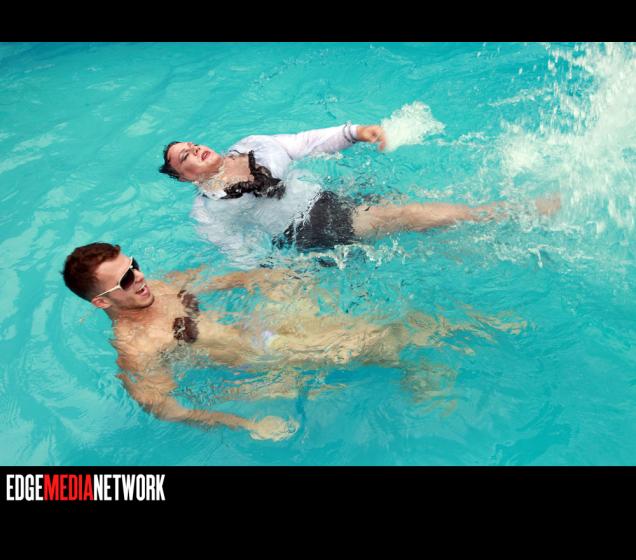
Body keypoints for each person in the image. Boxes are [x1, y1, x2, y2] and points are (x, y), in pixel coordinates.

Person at [62, 242, 476, 441]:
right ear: (101, 301)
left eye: (135, 265)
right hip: (257, 360)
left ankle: (438, 347)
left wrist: (262, 276)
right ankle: (441, 354)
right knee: (362, 341)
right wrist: (246, 425)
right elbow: (168, 409)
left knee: (362, 325)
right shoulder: (137, 347)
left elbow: (215, 278)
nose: (139, 277)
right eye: (126, 279)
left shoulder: (158, 287)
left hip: (260, 327)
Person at [159, 123, 560, 266]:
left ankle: (490, 241)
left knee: (418, 225)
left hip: (331, 197)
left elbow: (307, 142)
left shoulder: (253, 144)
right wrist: (279, 274)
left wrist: (355, 133)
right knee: (407, 216)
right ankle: (512, 213)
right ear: (183, 178)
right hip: (308, 230)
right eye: (185, 157)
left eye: (192, 145)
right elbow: (241, 255)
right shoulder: (208, 213)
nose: (195, 150)